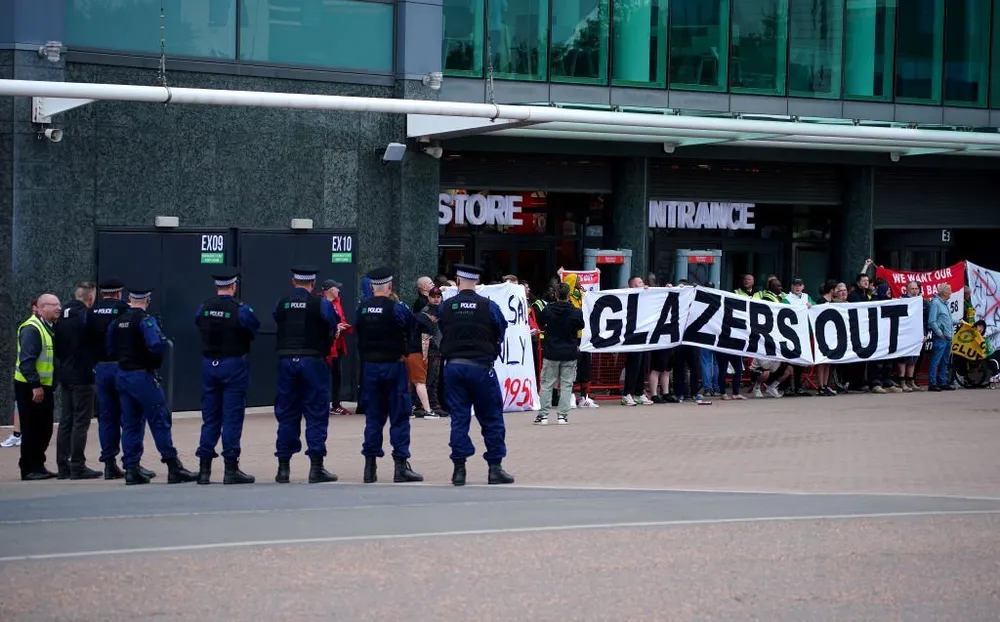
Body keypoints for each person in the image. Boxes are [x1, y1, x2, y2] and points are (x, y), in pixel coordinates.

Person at [108, 288, 197, 485]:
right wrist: (153, 360)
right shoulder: (146, 321)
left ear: (129, 299)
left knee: (130, 424)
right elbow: (157, 344)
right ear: (147, 300)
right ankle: (173, 466)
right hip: (142, 376)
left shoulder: (117, 322)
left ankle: (131, 469)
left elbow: (109, 347)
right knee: (159, 419)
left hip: (123, 375)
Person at [439, 263, 514, 486]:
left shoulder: (447, 306)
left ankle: (459, 470)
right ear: (477, 284)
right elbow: (501, 329)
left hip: (453, 366)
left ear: (458, 281)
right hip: (481, 367)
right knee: (491, 418)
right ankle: (494, 468)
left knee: (459, 419)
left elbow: (443, 327)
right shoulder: (488, 306)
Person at [272, 266, 341, 483]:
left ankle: (283, 468)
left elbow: (277, 320)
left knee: (286, 413)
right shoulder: (320, 303)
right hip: (313, 360)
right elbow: (332, 323)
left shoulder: (282, 302)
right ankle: (316, 467)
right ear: (312, 284)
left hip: (286, 360)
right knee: (317, 412)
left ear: (294, 282)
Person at [355, 267, 423, 484]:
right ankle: (400, 466)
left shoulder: (362, 309)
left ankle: (369, 467)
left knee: (373, 417)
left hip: (370, 367)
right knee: (399, 416)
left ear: (372, 287)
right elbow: (412, 328)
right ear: (390, 286)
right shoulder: (397, 308)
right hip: (393, 365)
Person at [194, 268, 261, 485]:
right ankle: (230, 469)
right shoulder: (240, 309)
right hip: (233, 364)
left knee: (210, 417)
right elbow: (253, 328)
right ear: (233, 286)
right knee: (231, 417)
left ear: (217, 286)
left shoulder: (203, 307)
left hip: (209, 364)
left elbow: (198, 324)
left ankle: (204, 470)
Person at [86, 278, 133, 479]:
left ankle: (108, 463)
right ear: (119, 292)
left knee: (106, 418)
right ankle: (132, 463)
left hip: (101, 368)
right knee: (129, 416)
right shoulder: (124, 309)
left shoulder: (91, 312)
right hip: (122, 367)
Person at [53, 280, 101, 479]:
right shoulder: (86, 316)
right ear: (90, 298)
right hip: (82, 375)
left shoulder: (61, 316)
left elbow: (58, 346)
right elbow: (95, 342)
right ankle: (78, 466)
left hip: (65, 373)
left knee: (66, 421)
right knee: (81, 422)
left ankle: (63, 466)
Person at [14, 293, 61, 480]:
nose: (58, 307)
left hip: (44, 385)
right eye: (53, 304)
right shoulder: (32, 329)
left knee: (44, 428)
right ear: (41, 308)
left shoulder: (49, 327)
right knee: (32, 428)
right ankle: (28, 468)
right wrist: (35, 385)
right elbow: (27, 361)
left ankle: (38, 465)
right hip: (30, 387)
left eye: (59, 304)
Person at [534, 282, 585, 425]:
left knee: (547, 384)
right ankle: (562, 416)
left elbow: (540, 322)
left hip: (552, 351)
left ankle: (543, 415)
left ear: (555, 295)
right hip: (569, 351)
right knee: (567, 385)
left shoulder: (548, 310)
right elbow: (581, 325)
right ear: (568, 295)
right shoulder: (575, 311)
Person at [320, 279, 353, 416]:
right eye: (336, 288)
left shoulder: (338, 303)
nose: (339, 290)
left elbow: (342, 319)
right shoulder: (320, 303)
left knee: (337, 374)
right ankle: (322, 404)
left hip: (338, 344)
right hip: (326, 345)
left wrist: (342, 326)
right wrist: (334, 327)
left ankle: (336, 404)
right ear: (329, 290)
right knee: (323, 375)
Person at [622, 276, 653, 406]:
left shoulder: (645, 296)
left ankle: (639, 393)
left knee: (643, 366)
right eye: (640, 282)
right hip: (632, 336)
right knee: (633, 365)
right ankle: (627, 394)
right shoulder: (628, 295)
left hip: (644, 335)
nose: (643, 284)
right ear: (633, 286)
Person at [421, 287, 448, 417]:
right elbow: (425, 333)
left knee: (435, 379)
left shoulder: (442, 310)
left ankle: (434, 404)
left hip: (439, 349)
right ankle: (426, 404)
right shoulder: (426, 312)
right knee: (429, 379)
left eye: (438, 297)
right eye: (434, 297)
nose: (436, 299)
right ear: (429, 298)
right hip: (431, 349)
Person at [927, 283, 956, 391]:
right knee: (936, 360)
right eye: (950, 291)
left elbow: (947, 320)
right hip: (941, 337)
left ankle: (943, 381)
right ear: (944, 292)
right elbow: (932, 321)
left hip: (947, 337)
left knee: (945, 361)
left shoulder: (944, 304)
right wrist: (940, 333)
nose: (951, 293)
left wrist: (958, 321)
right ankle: (932, 383)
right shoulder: (936, 304)